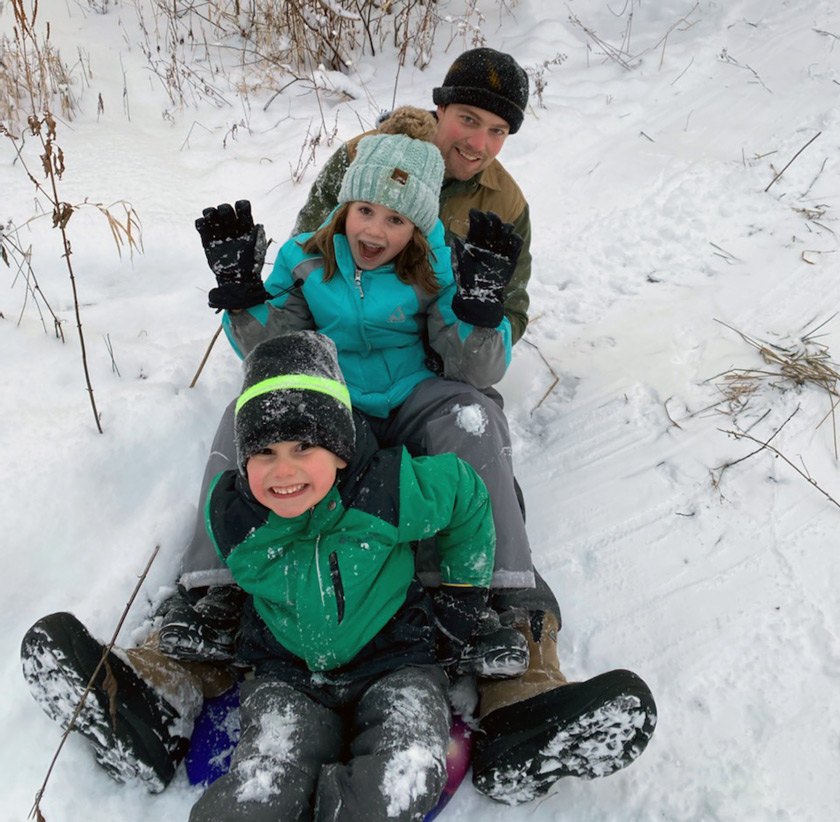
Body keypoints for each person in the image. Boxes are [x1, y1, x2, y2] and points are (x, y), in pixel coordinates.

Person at [22, 330, 501, 821]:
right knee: (264, 781)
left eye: (303, 448)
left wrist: (463, 597)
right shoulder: (237, 518)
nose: (283, 470)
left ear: (340, 451)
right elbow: (242, 581)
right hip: (287, 676)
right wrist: (217, 612)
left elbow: (467, 497)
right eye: (264, 453)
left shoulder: (388, 488)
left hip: (396, 662)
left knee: (405, 771)